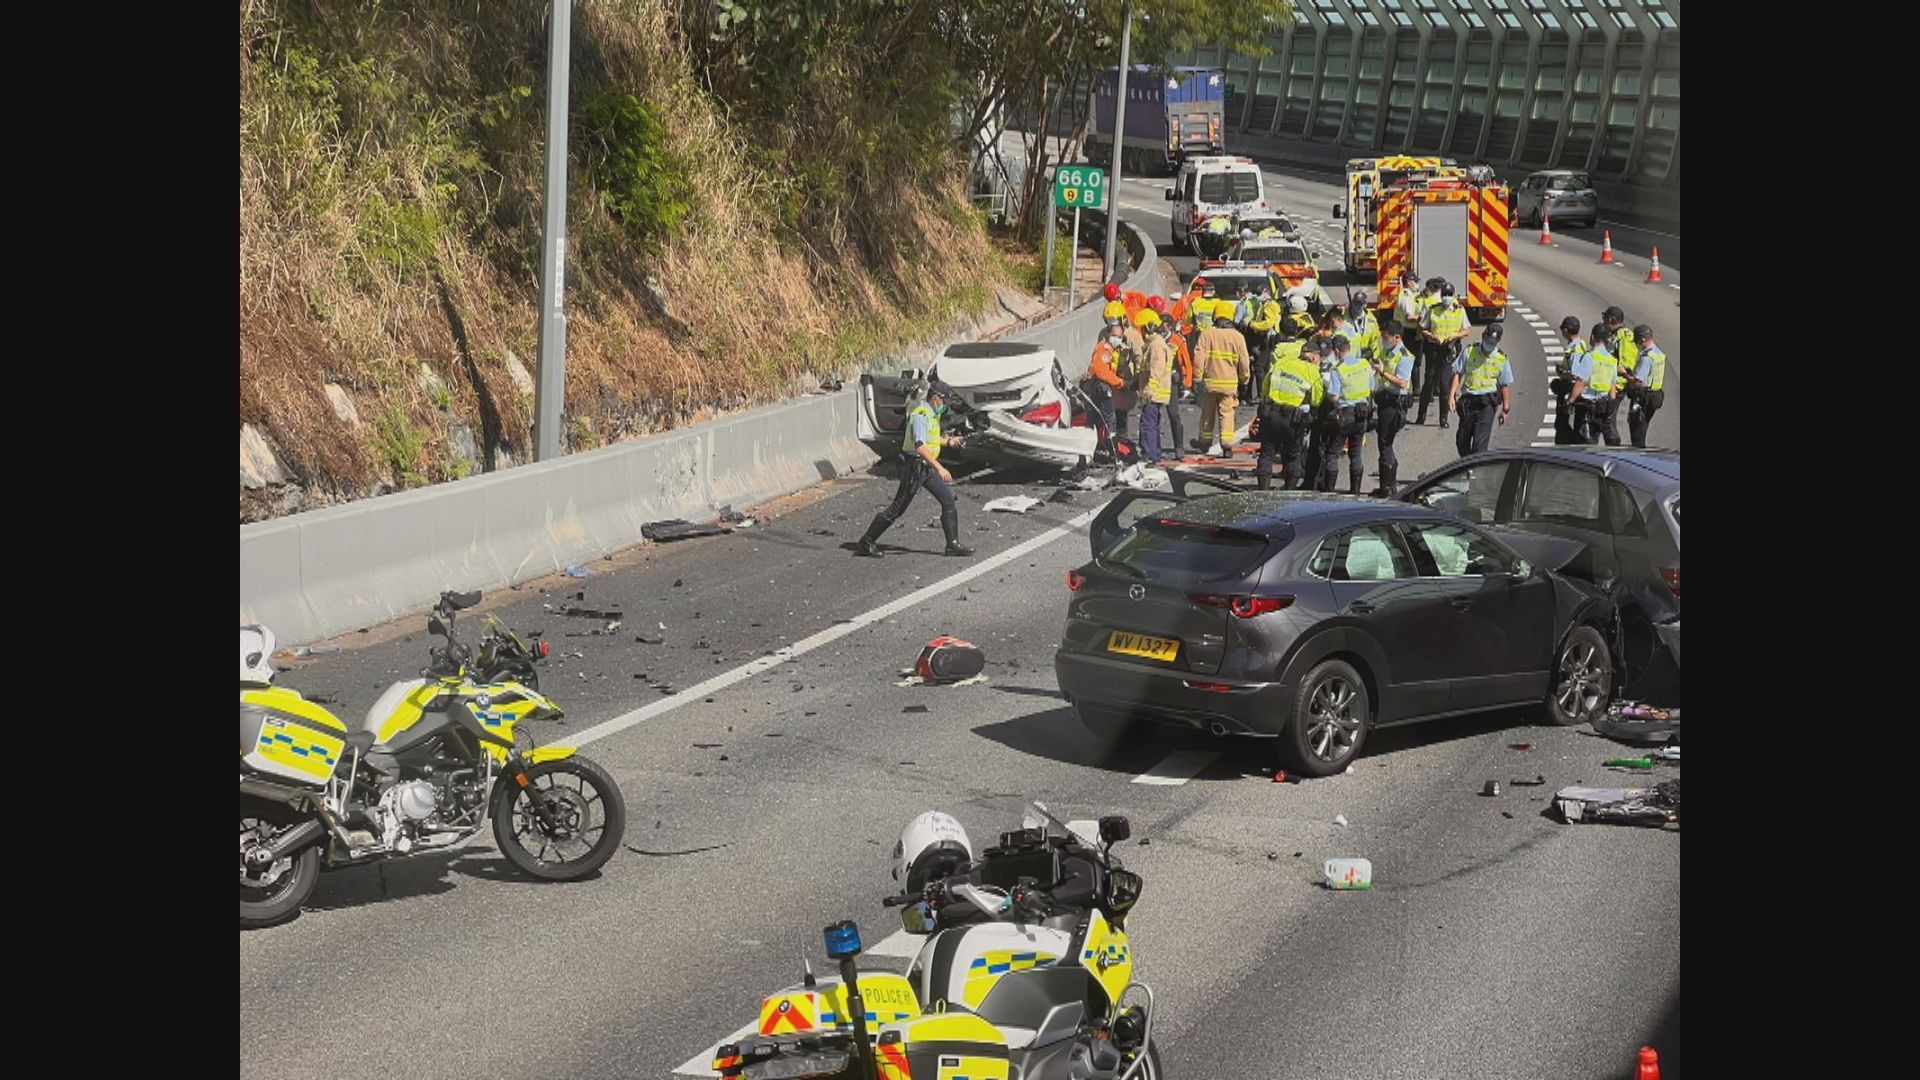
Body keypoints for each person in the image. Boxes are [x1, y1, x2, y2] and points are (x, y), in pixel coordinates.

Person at [856, 380, 973, 558]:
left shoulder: (932, 415)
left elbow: (931, 439)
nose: (946, 405)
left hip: (925, 468)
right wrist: (940, 468)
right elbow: (920, 446)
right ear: (936, 398)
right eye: (944, 401)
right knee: (897, 509)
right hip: (914, 468)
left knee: (948, 501)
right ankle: (867, 541)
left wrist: (949, 442)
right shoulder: (921, 416)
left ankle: (952, 545)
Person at [1254, 329, 1323, 490]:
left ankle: (1262, 491)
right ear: (1314, 357)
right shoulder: (1312, 371)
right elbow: (1317, 400)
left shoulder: (1283, 362)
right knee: (1294, 454)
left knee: (1267, 453)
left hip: (1270, 413)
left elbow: (1265, 386)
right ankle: (1289, 491)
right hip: (1292, 419)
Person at [1193, 300, 1251, 457]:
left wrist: (1197, 378)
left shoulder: (1207, 334)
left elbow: (1199, 357)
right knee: (1227, 413)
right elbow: (1244, 362)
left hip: (1210, 383)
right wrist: (1244, 380)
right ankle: (1226, 447)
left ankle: (1205, 442)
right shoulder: (1238, 337)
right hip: (1229, 384)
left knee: (1207, 413)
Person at [1448, 324, 1513, 457]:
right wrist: (1451, 395)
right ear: (1483, 336)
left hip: (1486, 405)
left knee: (1479, 446)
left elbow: (1504, 385)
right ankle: (1467, 468)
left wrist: (1505, 409)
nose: (1489, 344)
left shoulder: (1501, 358)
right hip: (1468, 403)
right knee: (1462, 441)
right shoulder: (1469, 351)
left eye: (1493, 343)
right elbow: (1458, 373)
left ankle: (1474, 474)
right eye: (1488, 341)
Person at [1368, 321, 1416, 496]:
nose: (1383, 339)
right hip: (1384, 401)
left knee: (1385, 443)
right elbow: (1380, 364)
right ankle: (1386, 485)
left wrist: (1382, 372)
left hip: (1394, 403)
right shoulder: (1387, 351)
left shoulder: (1405, 356)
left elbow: (1403, 382)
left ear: (1396, 337)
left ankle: (1387, 487)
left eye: (1386, 337)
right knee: (1383, 443)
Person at [1325, 334, 1375, 493]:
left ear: (1337, 351)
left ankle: (1330, 490)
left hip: (1345, 415)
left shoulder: (1338, 370)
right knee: (1356, 452)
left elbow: (1334, 397)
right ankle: (1355, 491)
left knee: (1333, 452)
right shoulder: (1365, 364)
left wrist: (1327, 393)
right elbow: (1371, 388)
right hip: (1362, 414)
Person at [1417, 281, 1469, 428]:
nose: (1446, 297)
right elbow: (1422, 328)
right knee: (1429, 383)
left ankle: (1443, 419)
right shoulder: (1433, 310)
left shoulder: (1459, 310)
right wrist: (1431, 336)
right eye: (1444, 295)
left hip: (1449, 351)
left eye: (1449, 295)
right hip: (1434, 349)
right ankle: (1421, 415)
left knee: (1445, 385)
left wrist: (1455, 336)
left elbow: (1466, 330)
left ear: (1453, 296)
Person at [1569, 324, 1622, 445]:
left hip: (1587, 406)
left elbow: (1581, 382)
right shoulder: (1611, 360)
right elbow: (1612, 387)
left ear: (1592, 337)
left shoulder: (1589, 357)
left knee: (1583, 442)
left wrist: (1570, 401)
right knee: (1595, 439)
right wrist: (1611, 406)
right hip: (1603, 407)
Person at [1082, 317, 1130, 443]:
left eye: (1120, 336)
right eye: (1116, 336)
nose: (1118, 339)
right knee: (1109, 419)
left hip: (1104, 386)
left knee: (1099, 419)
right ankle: (1112, 450)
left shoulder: (1114, 350)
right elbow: (1102, 372)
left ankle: (1101, 445)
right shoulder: (1102, 350)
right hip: (1097, 387)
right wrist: (1119, 382)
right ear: (1109, 335)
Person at [1624, 323, 1667, 448]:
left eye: (1637, 341)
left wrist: (1625, 375)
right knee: (1644, 426)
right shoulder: (1658, 354)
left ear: (1642, 339)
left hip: (1643, 397)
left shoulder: (1646, 357)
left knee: (1637, 433)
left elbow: (1638, 382)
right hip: (1655, 395)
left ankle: (1639, 458)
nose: (1636, 344)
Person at [1138, 315, 1174, 464]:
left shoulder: (1156, 345)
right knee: (1152, 423)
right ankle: (1154, 453)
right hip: (1156, 391)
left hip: (1154, 392)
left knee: (1148, 424)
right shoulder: (1154, 343)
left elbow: (1156, 370)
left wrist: (1149, 390)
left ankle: (1150, 455)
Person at [1550, 316, 1585, 444]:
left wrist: (1561, 373)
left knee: (1561, 424)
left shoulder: (1574, 349)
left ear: (1566, 331)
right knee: (1562, 424)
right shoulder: (1581, 344)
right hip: (1573, 389)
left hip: (1569, 389)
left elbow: (1575, 375)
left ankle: (1574, 444)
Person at [1393, 270, 1429, 396]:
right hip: (1407, 332)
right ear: (1409, 282)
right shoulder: (1405, 295)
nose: (1416, 284)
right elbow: (1409, 316)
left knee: (1416, 361)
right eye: (1414, 281)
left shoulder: (1413, 295)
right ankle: (1412, 389)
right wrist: (1423, 319)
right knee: (1410, 360)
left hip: (1413, 331)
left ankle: (1416, 389)